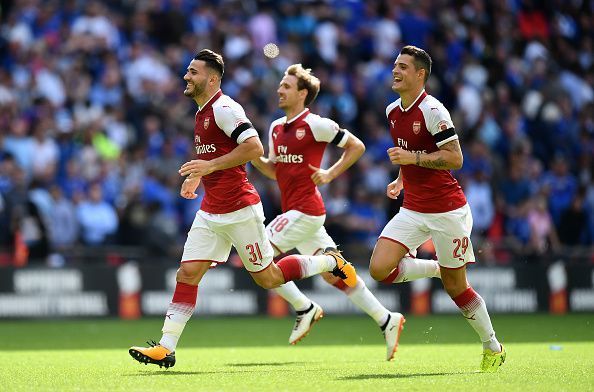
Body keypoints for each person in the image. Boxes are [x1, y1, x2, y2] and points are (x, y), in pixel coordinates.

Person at [128, 49, 356, 369]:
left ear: (211, 79)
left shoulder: (224, 107)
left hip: (240, 210)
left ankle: (327, 261)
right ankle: (166, 347)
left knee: (268, 278)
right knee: (188, 273)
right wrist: (198, 176)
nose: (186, 76)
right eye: (187, 71)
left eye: (193, 72)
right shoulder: (201, 112)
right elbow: (215, 157)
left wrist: (207, 167)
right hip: (211, 211)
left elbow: (253, 148)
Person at [251, 64, 405, 361]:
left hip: (306, 210)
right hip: (298, 213)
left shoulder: (316, 125)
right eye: (280, 85)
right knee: (338, 276)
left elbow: (356, 146)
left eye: (285, 86)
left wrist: (330, 173)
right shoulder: (274, 128)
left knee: (257, 256)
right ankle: (386, 319)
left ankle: (305, 305)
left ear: (302, 93)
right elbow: (273, 170)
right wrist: (250, 154)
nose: (279, 90)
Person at [368, 45, 506, 372]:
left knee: (456, 287)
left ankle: (492, 346)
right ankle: (435, 268)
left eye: (403, 67)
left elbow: (456, 158)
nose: (395, 71)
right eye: (394, 65)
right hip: (413, 207)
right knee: (378, 269)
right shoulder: (392, 111)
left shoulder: (433, 110)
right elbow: (408, 150)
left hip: (447, 210)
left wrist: (411, 160)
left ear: (420, 75)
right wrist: (401, 179)